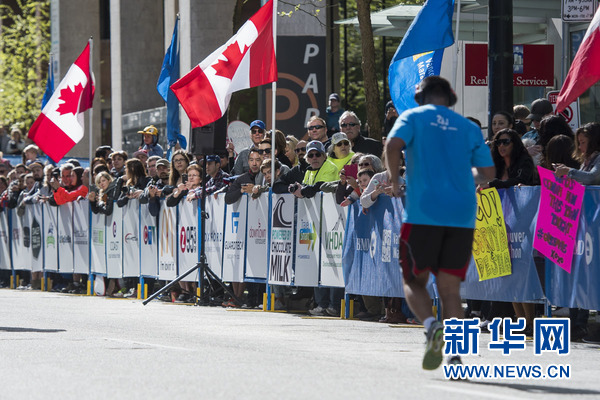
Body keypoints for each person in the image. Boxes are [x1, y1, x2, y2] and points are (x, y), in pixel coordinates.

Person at [385, 76, 495, 370]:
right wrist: (463, 177)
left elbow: (393, 145)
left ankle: (432, 326)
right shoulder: (469, 127)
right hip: (461, 216)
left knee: (413, 281)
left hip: (424, 213)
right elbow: (488, 172)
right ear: (451, 97)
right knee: (450, 290)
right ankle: (455, 355)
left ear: (420, 97)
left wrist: (394, 180)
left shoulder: (413, 117)